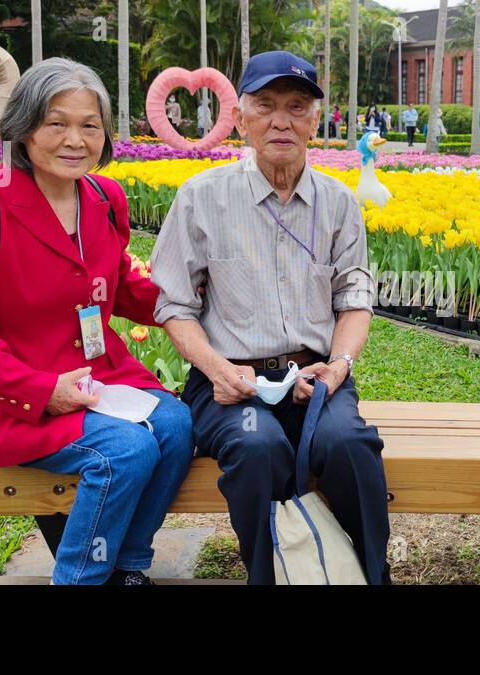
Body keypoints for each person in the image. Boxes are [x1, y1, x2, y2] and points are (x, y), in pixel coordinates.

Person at [0, 58, 194, 585]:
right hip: (17, 395)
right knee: (126, 450)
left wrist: (194, 298)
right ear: (23, 128)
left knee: (178, 426)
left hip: (101, 377)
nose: (76, 139)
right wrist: (42, 389)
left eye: (90, 125)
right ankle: (80, 578)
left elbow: (118, 287)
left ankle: (128, 566)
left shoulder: (103, 197)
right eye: (57, 123)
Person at [151, 50, 390, 585]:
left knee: (349, 446)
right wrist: (219, 370)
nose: (281, 120)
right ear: (240, 117)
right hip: (229, 382)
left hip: (315, 375)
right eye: (265, 105)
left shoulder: (338, 203)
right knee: (257, 448)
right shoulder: (201, 198)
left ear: (314, 121)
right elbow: (174, 306)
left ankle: (372, 574)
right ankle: (272, 576)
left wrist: (340, 364)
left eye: (297, 106)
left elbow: (354, 297)